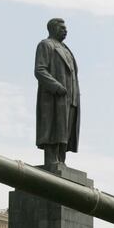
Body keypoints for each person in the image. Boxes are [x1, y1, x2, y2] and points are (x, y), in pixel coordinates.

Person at [35, 17, 80, 168]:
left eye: (66, 28)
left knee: (65, 131)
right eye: (62, 28)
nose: (65, 30)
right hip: (55, 97)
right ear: (52, 29)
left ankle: (61, 161)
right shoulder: (46, 45)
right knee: (54, 129)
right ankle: (51, 160)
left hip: (71, 98)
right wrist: (56, 86)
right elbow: (40, 70)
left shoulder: (66, 49)